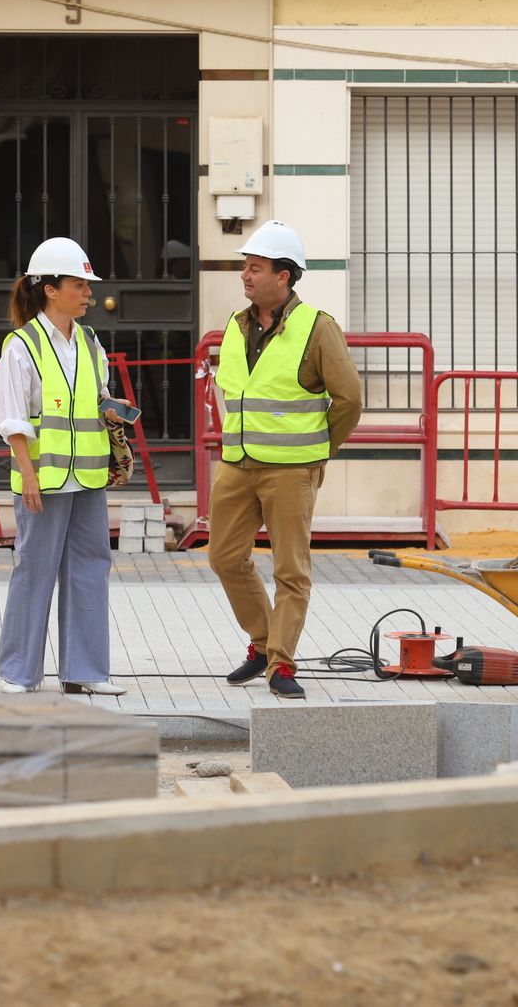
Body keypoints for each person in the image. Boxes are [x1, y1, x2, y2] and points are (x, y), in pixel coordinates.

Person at [208, 220, 363, 699]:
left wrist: (319, 449)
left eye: (255, 268)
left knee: (290, 571)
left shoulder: (317, 328)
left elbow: (350, 400)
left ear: (284, 275)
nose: (245, 276)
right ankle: (262, 643)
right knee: (224, 558)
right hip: (238, 464)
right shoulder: (236, 326)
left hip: (291, 469)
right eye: (244, 268)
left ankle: (282, 663)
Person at [0, 237, 127, 696]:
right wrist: (27, 473)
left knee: (91, 566)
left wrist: (112, 410)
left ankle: (85, 672)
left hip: (88, 476)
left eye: (88, 286)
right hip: (43, 479)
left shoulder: (91, 343)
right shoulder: (21, 346)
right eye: (79, 284)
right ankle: (18, 672)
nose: (89, 293)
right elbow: (12, 417)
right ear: (50, 289)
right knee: (34, 569)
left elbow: (91, 400)